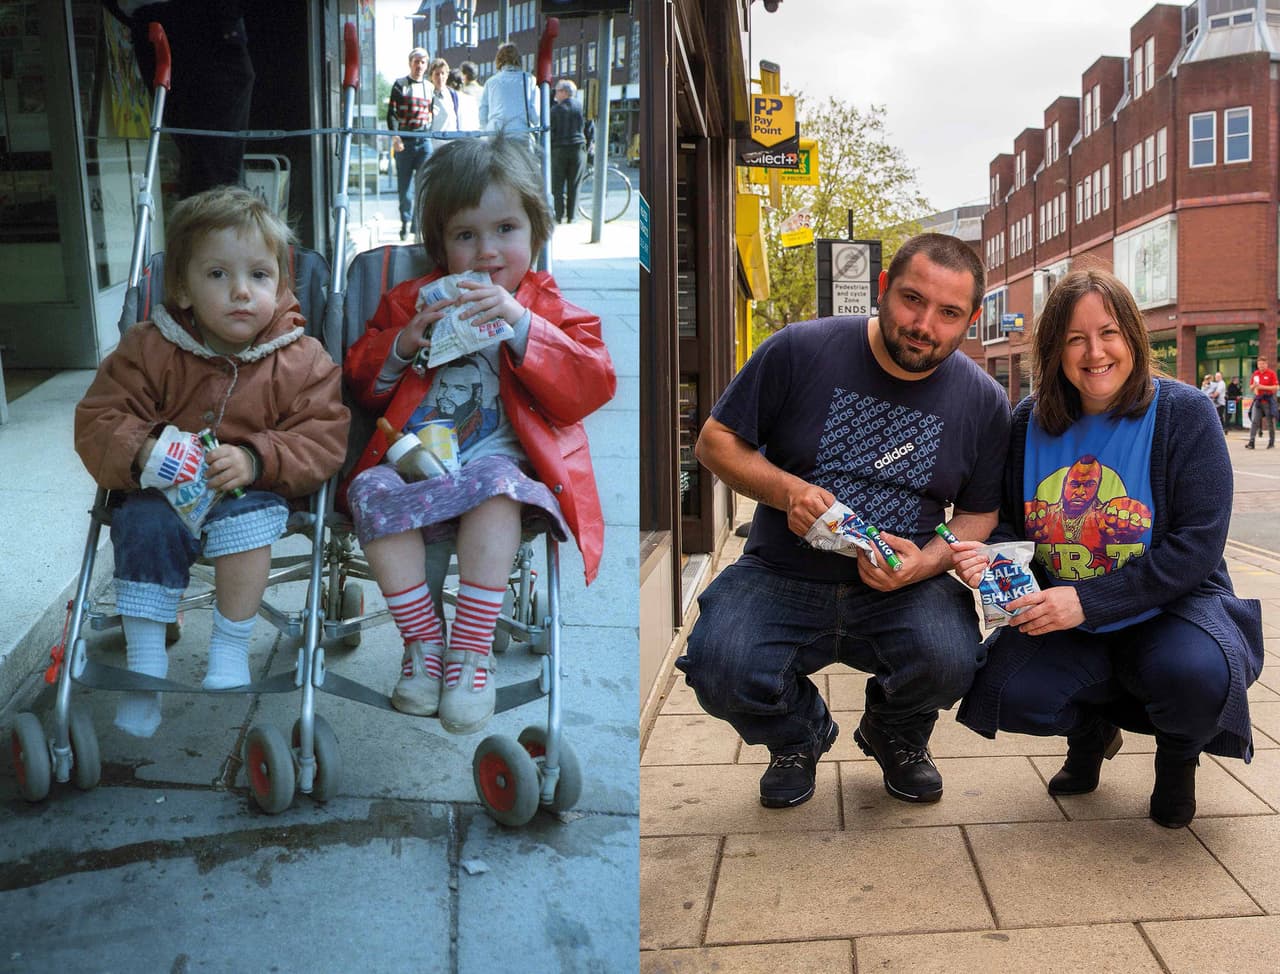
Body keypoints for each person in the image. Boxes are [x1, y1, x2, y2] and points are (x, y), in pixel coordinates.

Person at [675, 233, 1012, 810]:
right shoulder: (800, 349)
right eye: (911, 299)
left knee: (954, 659)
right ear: (883, 289)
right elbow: (714, 443)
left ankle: (895, 731)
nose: (924, 324)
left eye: (948, 313)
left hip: (903, 590)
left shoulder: (983, 401)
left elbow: (981, 514)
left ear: (971, 320)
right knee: (718, 664)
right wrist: (789, 491)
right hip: (780, 572)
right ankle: (796, 736)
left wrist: (927, 562)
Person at [950, 269, 1263, 829]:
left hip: (1171, 607)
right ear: (1055, 350)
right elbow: (1004, 528)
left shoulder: (1184, 413)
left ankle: (1177, 757)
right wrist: (993, 563)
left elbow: (1196, 547)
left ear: (1134, 339)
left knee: (1196, 678)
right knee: (1010, 690)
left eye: (1109, 332)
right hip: (1062, 612)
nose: (1094, 351)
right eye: (1075, 338)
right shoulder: (1026, 423)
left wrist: (1089, 602)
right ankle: (1090, 730)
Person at [341, 136, 616, 734]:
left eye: (506, 230)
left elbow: (591, 384)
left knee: (495, 486)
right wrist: (400, 345)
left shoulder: (546, 307)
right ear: (439, 243)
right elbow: (363, 383)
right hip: (417, 465)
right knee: (366, 490)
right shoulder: (410, 300)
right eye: (466, 236)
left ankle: (470, 655)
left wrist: (522, 326)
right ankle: (423, 647)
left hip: (500, 472)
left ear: (536, 234)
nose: (487, 252)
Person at [74, 186, 350, 737]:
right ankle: (146, 667)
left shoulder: (300, 357)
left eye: (259, 276)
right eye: (218, 275)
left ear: (282, 283)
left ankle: (230, 647)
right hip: (160, 491)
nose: (241, 292)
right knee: (141, 524)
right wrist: (143, 448)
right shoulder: (150, 346)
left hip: (254, 489)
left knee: (247, 530)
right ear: (182, 287)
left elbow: (324, 434)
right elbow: (100, 417)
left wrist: (257, 456)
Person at [112, 0, 254, 198]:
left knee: (211, 164)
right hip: (197, 25)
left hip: (177, 23)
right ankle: (213, 221)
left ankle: (213, 220)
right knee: (214, 169)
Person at [388, 47, 433, 241]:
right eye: (417, 62)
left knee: (424, 184)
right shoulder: (400, 84)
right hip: (404, 142)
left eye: (423, 62)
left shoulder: (429, 87)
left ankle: (417, 225)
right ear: (410, 63)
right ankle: (405, 221)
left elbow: (431, 110)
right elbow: (392, 113)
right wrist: (396, 137)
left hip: (423, 140)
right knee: (404, 187)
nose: (420, 66)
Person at [478, 42, 538, 145]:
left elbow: (483, 110)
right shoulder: (529, 79)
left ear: (499, 60)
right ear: (519, 59)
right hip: (520, 133)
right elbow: (534, 113)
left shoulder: (491, 81)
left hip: (496, 133)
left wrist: (485, 130)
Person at [550, 79, 589, 224]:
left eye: (557, 91)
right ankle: (572, 217)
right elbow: (589, 128)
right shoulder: (581, 108)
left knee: (557, 185)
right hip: (578, 149)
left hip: (559, 150)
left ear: (565, 92)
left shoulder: (555, 110)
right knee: (574, 184)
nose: (555, 94)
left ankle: (558, 216)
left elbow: (551, 132)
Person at [424, 57, 461, 155]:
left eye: (443, 73)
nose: (440, 77)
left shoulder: (453, 94)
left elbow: (456, 119)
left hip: (451, 145)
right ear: (431, 76)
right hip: (433, 147)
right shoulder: (427, 94)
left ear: (447, 75)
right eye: (436, 74)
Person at [1247, 355, 1278, 449]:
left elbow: (1276, 388)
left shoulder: (1271, 373)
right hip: (1258, 400)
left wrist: (1262, 387)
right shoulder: (1255, 374)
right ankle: (1251, 442)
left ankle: (1271, 442)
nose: (1261, 366)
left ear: (1266, 364)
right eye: (1259, 364)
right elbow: (1251, 387)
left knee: (1269, 422)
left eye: (1263, 364)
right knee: (1255, 421)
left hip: (1268, 400)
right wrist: (1254, 386)